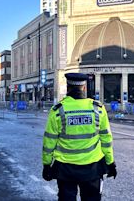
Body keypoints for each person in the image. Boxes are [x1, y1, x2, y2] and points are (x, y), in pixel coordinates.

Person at [42, 73, 117, 201]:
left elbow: (49, 142)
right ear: (84, 87)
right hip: (92, 167)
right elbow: (106, 140)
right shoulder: (98, 108)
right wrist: (111, 163)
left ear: (68, 87)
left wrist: (47, 165)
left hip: (65, 168)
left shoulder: (58, 110)